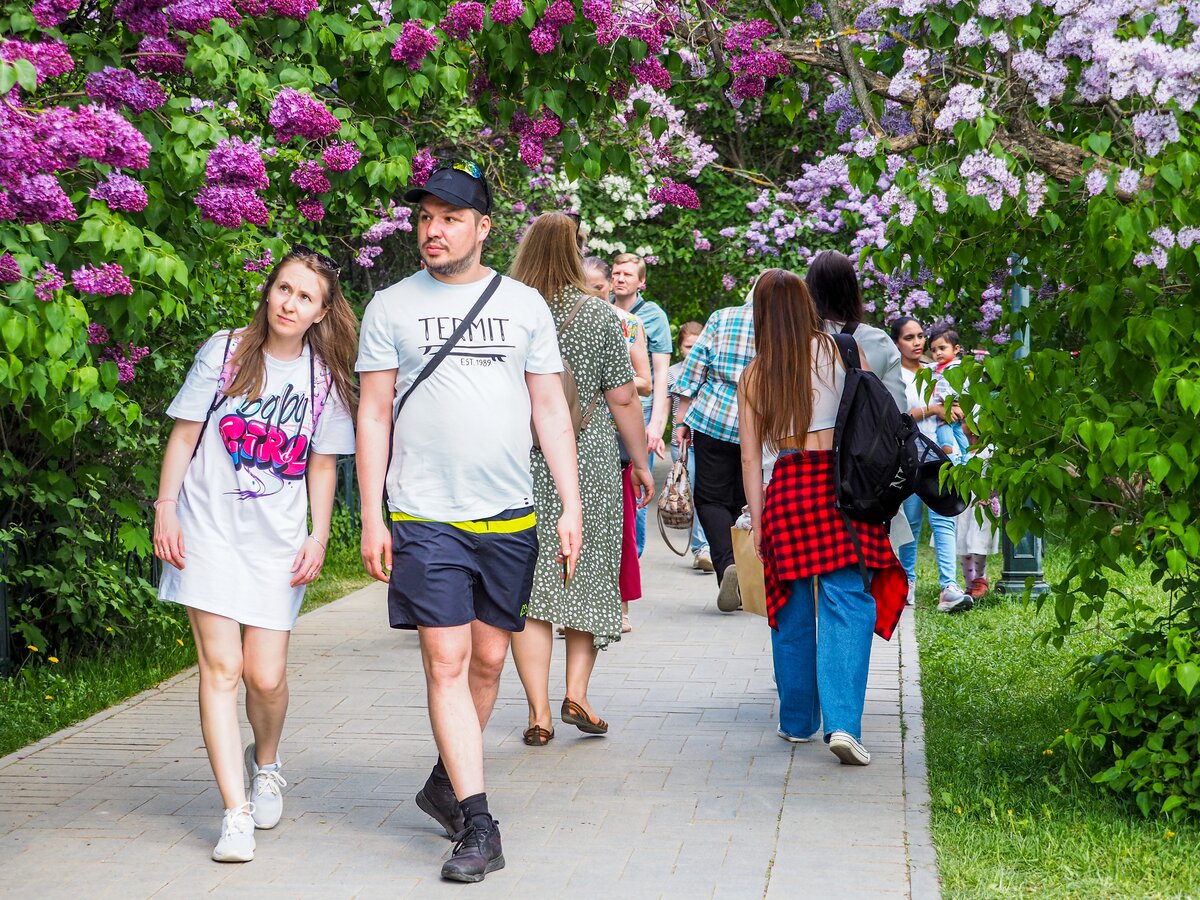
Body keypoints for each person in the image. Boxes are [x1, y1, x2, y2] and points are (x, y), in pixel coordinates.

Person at [355, 161, 583, 884]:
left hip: (509, 513)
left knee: (489, 661)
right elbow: (373, 412)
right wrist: (372, 514)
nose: (433, 229)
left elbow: (549, 407)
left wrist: (570, 503)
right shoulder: (389, 306)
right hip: (425, 515)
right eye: (425, 217)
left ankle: (442, 783)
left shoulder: (524, 307)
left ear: (484, 228)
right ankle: (479, 825)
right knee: (448, 661)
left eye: (450, 218)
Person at [153, 246, 359, 863]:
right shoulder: (225, 352)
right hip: (207, 531)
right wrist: (166, 507)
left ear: (322, 312)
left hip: (276, 543)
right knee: (222, 670)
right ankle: (235, 811)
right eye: (283, 290)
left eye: (305, 297)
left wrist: (318, 535)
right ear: (269, 291)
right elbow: (185, 431)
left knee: (265, 676)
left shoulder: (324, 380)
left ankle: (265, 763)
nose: (290, 304)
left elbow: (322, 465)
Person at [738, 268, 906, 765]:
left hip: (789, 487)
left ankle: (796, 721)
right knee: (846, 598)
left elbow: (749, 460)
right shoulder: (843, 351)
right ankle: (844, 724)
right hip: (840, 486)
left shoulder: (755, 375)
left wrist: (759, 522)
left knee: (789, 604)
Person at [508, 213, 654, 746]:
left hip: (519, 456)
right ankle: (577, 694)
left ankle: (538, 713)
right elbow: (623, 398)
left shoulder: (508, 311)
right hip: (587, 456)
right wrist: (639, 462)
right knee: (586, 575)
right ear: (577, 251)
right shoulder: (598, 315)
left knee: (533, 588)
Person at [675, 284, 756, 613]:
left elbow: (694, 367)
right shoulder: (784, 322)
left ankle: (726, 567)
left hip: (714, 418)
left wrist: (681, 421)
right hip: (760, 422)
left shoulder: (723, 318)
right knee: (745, 501)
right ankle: (748, 580)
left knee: (710, 498)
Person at [583, 255, 650, 632]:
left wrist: (613, 373)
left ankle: (619, 606)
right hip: (574, 433)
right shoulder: (565, 319)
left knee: (619, 523)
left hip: (613, 437)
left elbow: (645, 382)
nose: (593, 294)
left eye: (598, 288)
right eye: (586, 287)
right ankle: (572, 603)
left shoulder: (628, 324)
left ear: (609, 287)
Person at [890, 316, 962, 609]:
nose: (918, 342)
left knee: (944, 518)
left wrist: (953, 410)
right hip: (908, 457)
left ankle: (949, 586)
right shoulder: (892, 375)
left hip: (941, 454)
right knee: (911, 521)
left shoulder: (937, 372)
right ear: (896, 342)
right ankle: (907, 581)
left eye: (920, 336)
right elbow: (896, 418)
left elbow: (954, 407)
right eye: (909, 337)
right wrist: (931, 410)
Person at [610, 252, 671, 556]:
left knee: (636, 483)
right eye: (616, 273)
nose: (620, 279)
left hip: (640, 406)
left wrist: (657, 425)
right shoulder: (601, 308)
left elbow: (661, 374)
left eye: (628, 275)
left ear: (641, 282)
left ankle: (634, 554)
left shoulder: (652, 316)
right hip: (606, 408)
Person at [804, 250, 906, 411]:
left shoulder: (800, 342)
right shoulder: (877, 340)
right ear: (852, 290)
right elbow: (899, 409)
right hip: (865, 435)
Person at [666, 321, 713, 573]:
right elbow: (663, 407)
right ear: (680, 347)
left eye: (697, 346)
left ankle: (707, 546)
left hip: (706, 439)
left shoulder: (710, 372)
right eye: (687, 346)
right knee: (691, 491)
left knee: (706, 493)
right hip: (681, 442)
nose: (692, 351)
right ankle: (701, 548)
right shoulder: (673, 373)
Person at [928, 328, 970, 463]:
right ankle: (966, 458)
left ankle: (953, 462)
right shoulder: (936, 367)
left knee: (944, 436)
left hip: (949, 408)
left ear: (956, 349)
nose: (938, 353)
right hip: (945, 410)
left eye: (942, 348)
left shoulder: (957, 367)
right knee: (958, 433)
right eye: (933, 350)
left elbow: (961, 386)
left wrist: (946, 396)